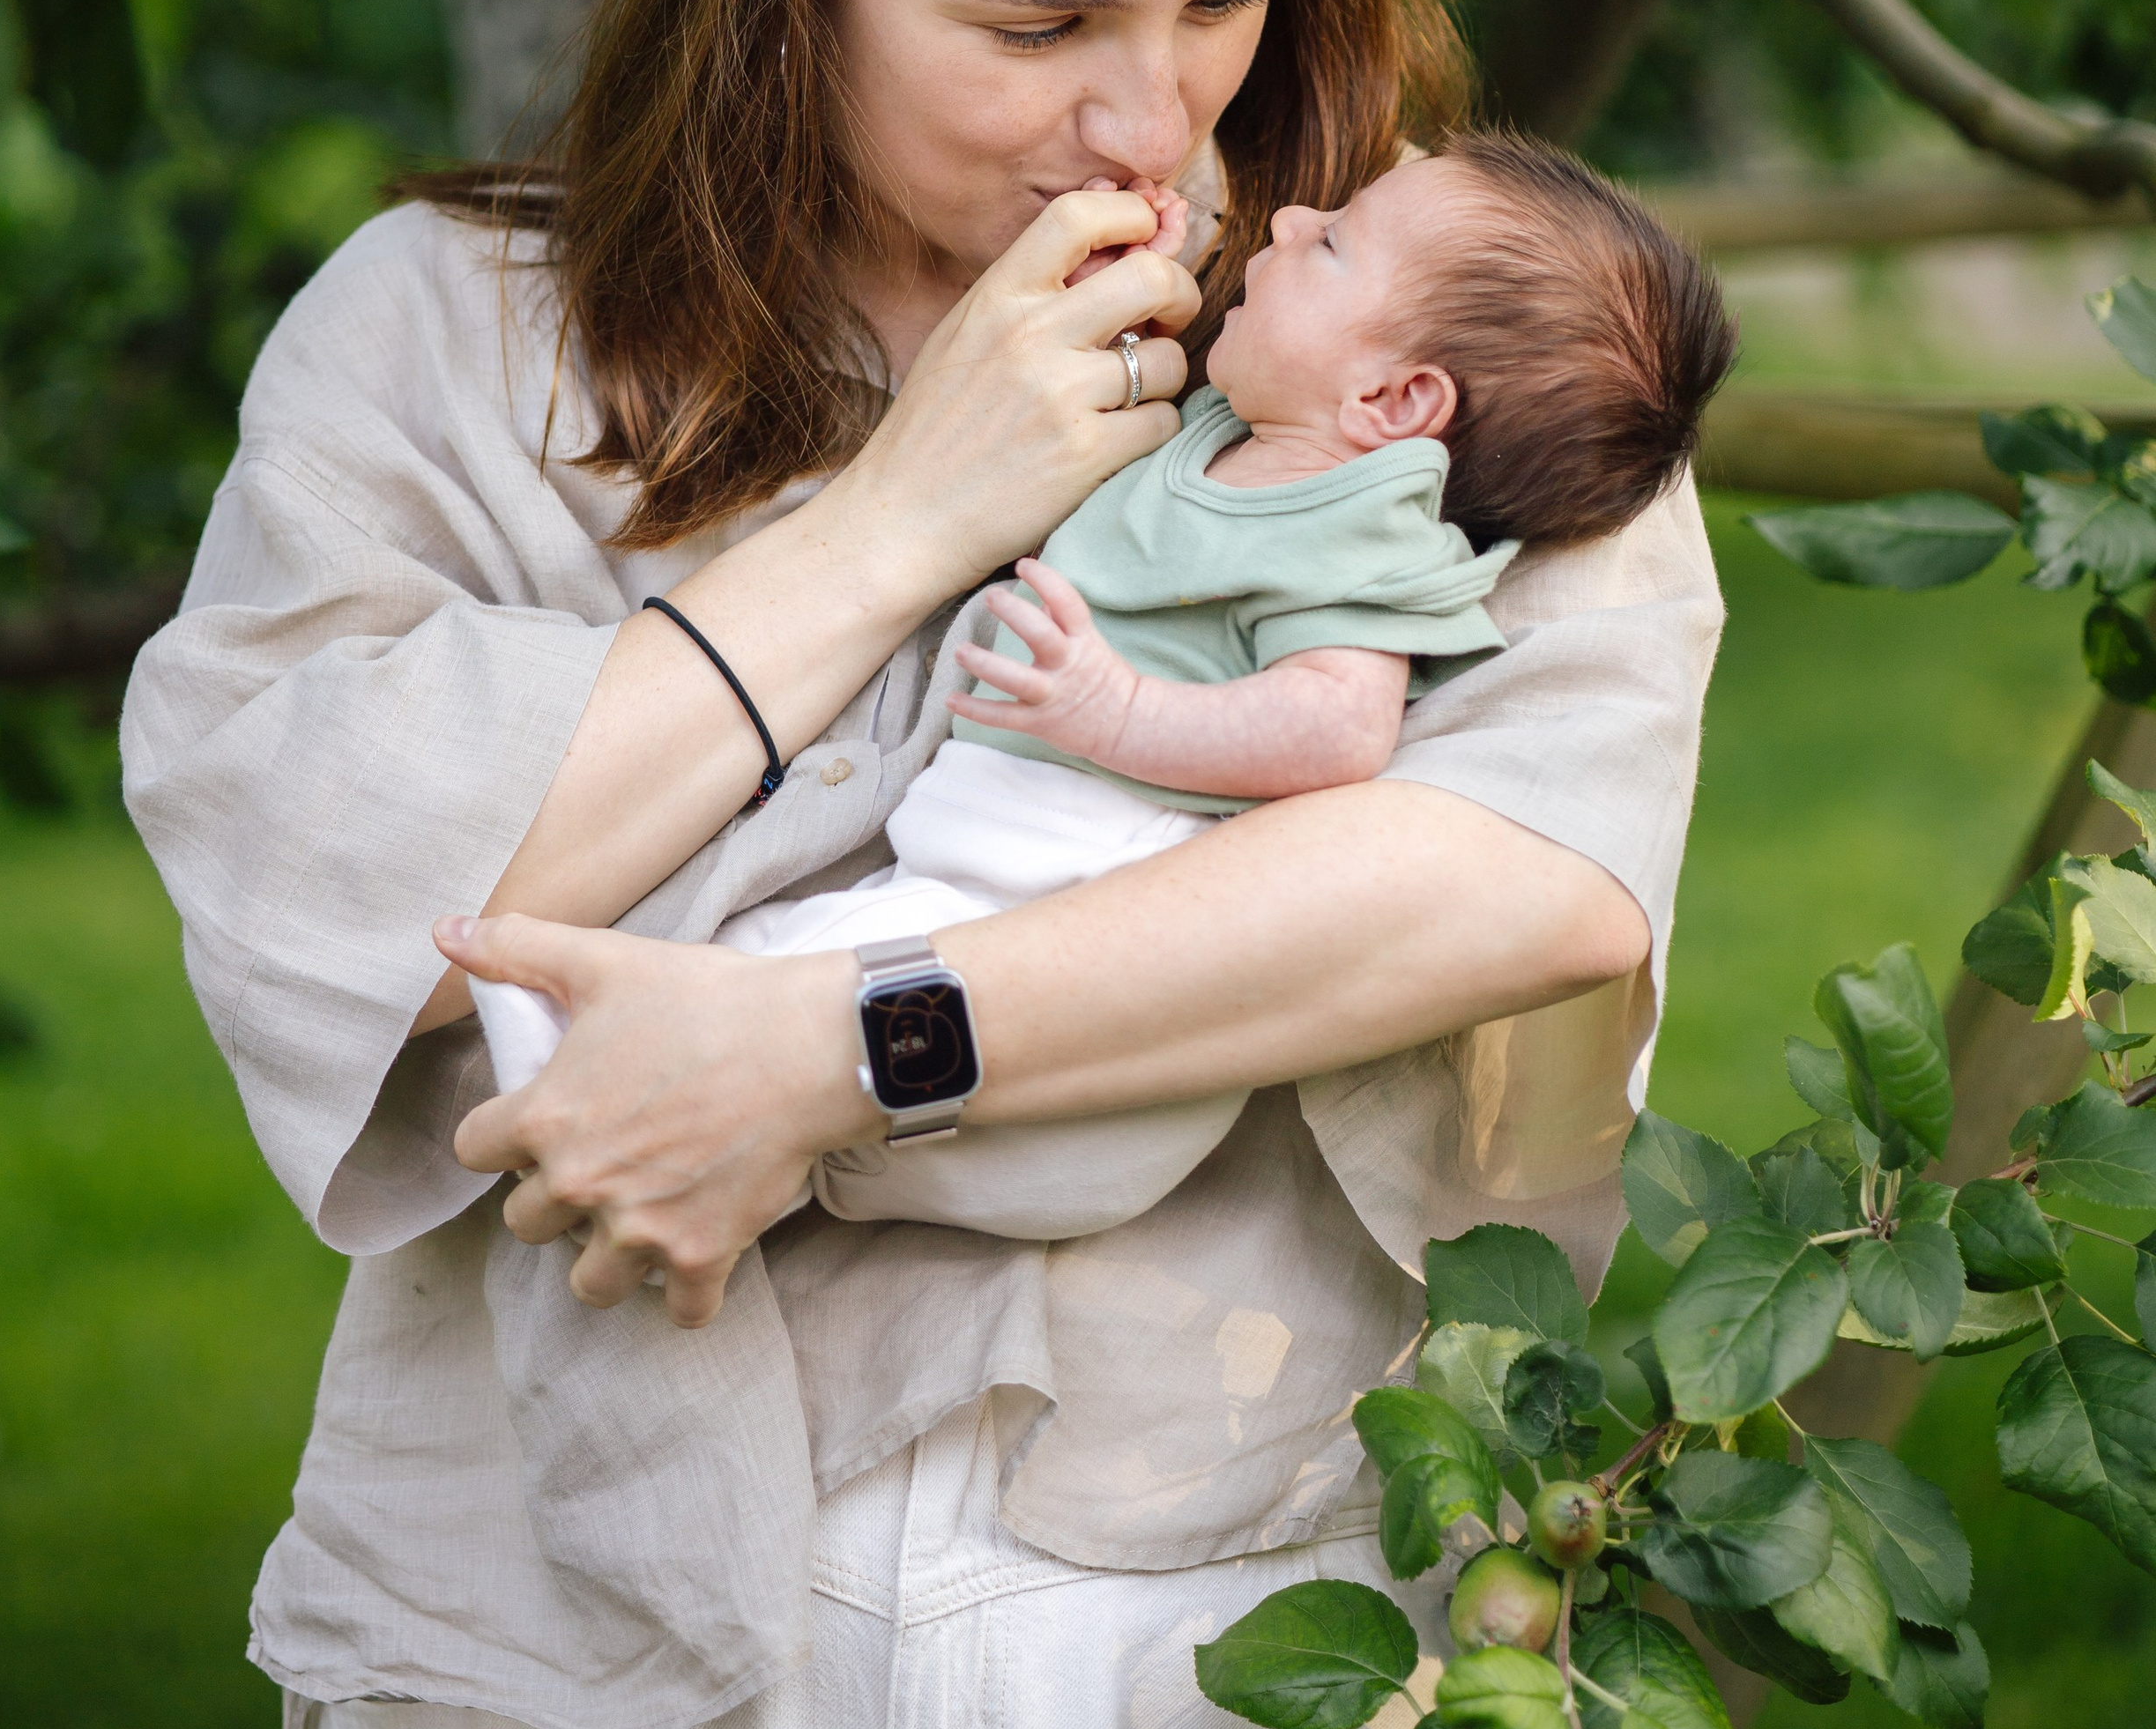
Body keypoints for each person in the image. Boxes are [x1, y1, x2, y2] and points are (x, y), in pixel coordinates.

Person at [121, 0, 1724, 1729]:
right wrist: (896, 519)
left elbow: (1507, 875)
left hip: (1223, 1626)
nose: (1155, 120)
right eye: (1035, 21)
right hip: (569, 1701)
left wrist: (843, 1053)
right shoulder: (442, 336)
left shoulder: (1443, 326)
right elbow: (352, 906)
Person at [472, 137, 1735, 1254]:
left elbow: (1339, 725)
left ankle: (576, 1072)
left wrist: (1116, 715)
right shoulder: (1225, 431)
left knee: (768, 981)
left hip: (1086, 880)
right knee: (769, 978)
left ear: (1393, 404)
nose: (1289, 224)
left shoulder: (1357, 526)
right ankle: (655, 1116)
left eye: (1334, 243)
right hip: (986, 866)